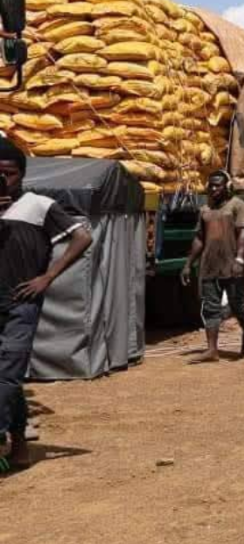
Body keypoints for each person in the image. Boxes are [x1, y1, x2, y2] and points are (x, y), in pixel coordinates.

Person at [0, 137, 92, 471]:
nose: (3, 180)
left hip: (21, 301)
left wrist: (48, 277)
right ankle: (21, 446)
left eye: (8, 173)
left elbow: (82, 236)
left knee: (7, 374)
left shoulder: (37, 205)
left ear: (21, 174)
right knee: (8, 380)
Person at [181, 170, 244, 363]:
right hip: (209, 266)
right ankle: (212, 350)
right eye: (210, 185)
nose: (213, 188)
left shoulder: (239, 206)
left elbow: (243, 235)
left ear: (227, 187)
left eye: (217, 185)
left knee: (238, 305)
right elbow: (199, 239)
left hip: (232, 266)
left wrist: (239, 260)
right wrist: (188, 264)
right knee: (210, 308)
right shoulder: (205, 210)